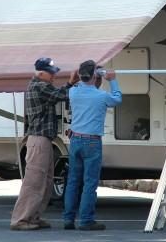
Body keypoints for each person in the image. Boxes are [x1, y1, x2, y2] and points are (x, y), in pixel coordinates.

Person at [10, 57, 79, 231]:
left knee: (46, 182)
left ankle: (34, 217)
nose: (54, 76)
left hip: (43, 140)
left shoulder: (40, 85)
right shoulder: (40, 86)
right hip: (39, 140)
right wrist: (70, 83)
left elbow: (56, 94)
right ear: (41, 74)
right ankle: (20, 220)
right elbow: (60, 95)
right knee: (34, 183)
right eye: (51, 73)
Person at [63, 60, 122, 231]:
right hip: (92, 141)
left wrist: (73, 79)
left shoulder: (73, 92)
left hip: (75, 140)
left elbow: (70, 87)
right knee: (90, 182)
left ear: (80, 75)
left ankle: (68, 219)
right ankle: (86, 220)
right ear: (95, 76)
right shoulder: (101, 96)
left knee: (73, 181)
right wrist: (112, 80)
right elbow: (117, 99)